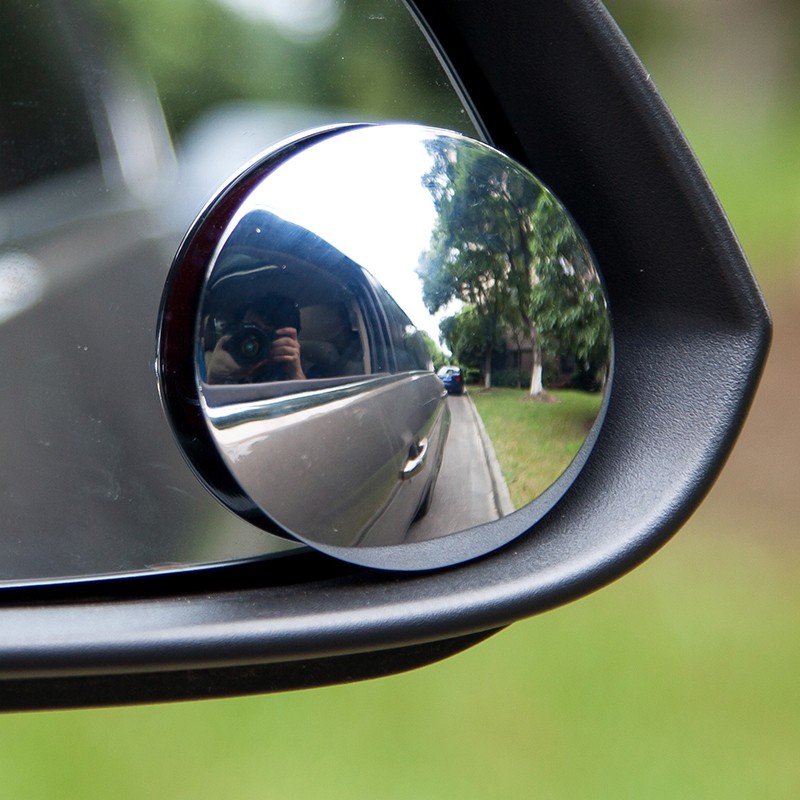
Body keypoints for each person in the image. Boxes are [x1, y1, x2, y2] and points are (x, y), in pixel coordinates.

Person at [202, 293, 306, 384]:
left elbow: (306, 398)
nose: (254, 342)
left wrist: (296, 373)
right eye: (250, 329)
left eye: (268, 335)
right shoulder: (227, 359)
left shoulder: (288, 367)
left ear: (287, 340)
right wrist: (214, 376)